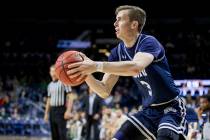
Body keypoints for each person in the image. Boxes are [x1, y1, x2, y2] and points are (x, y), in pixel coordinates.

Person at [67, 5, 188, 140]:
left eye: (119, 19)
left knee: (165, 135)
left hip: (170, 108)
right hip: (148, 112)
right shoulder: (116, 53)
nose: (115, 23)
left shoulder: (148, 42)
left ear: (134, 24)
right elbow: (104, 90)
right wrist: (85, 73)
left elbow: (135, 67)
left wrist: (95, 66)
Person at [44, 65, 73, 140]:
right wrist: (46, 113)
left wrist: (68, 111)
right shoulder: (49, 85)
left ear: (57, 72)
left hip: (61, 110)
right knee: (54, 135)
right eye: (51, 71)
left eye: (54, 71)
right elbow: (48, 100)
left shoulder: (64, 82)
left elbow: (71, 97)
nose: (53, 73)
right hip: (52, 111)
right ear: (49, 73)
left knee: (62, 134)